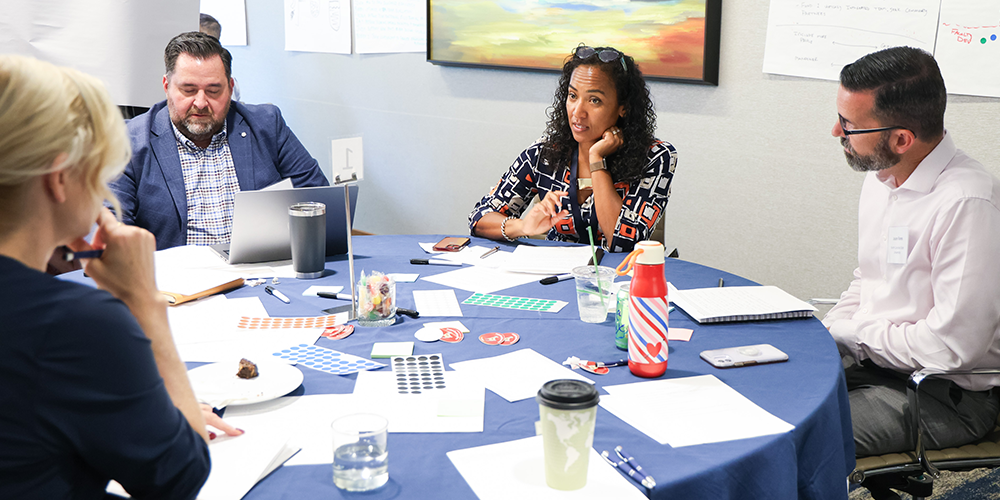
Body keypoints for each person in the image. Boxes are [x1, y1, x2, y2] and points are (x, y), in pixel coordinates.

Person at [0, 55, 240, 499]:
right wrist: (145, 303)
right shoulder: (75, 322)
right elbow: (178, 476)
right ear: (58, 178)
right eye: (97, 170)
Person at [824, 46, 1000, 460]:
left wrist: (853, 336)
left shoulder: (967, 202)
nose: (836, 132)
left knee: (799, 438)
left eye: (849, 126)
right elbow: (869, 278)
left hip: (943, 395)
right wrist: (831, 330)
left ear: (901, 139)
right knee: (766, 399)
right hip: (876, 365)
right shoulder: (882, 179)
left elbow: (951, 348)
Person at [110, 31, 327, 250]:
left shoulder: (266, 125)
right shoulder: (129, 142)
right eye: (189, 90)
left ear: (231, 88)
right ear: (167, 86)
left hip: (261, 271)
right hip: (176, 278)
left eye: (214, 91)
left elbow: (319, 203)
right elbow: (111, 231)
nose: (201, 102)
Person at [469, 45, 676, 253]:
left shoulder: (656, 157)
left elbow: (623, 243)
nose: (578, 112)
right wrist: (522, 226)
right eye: (573, 96)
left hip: (618, 278)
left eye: (594, 100)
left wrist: (597, 160)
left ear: (624, 107)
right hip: (554, 275)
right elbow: (479, 218)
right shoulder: (545, 153)